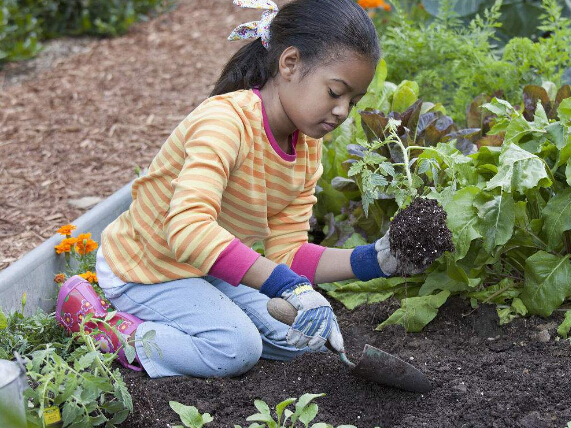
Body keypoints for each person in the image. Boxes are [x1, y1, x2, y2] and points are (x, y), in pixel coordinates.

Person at [56, 0, 426, 378]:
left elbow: (289, 253)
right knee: (236, 348)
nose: (342, 111)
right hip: (148, 267)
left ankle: (185, 325)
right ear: (290, 63)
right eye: (335, 92)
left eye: (353, 101)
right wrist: (289, 287)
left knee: (295, 338)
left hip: (205, 267)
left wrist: (374, 261)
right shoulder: (224, 123)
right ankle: (105, 328)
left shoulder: (307, 148)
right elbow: (188, 231)